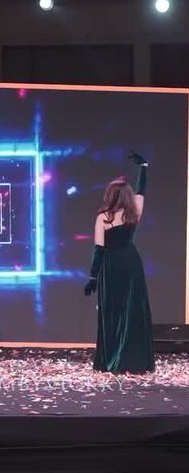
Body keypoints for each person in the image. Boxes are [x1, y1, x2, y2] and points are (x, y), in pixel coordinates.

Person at [84, 151, 155, 374]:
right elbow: (141, 191)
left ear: (110, 196)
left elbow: (98, 250)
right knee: (132, 310)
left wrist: (93, 277)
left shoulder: (103, 217)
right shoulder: (135, 213)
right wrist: (143, 168)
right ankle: (134, 360)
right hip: (132, 264)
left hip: (111, 266)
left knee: (112, 311)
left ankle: (112, 358)